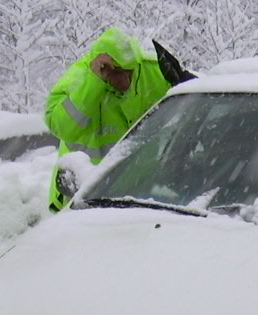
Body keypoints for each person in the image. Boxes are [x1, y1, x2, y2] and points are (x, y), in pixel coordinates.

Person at [44, 29, 193, 212]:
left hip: (140, 197)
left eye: (129, 73)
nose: (124, 81)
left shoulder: (154, 71)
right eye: (117, 73)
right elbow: (60, 127)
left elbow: (202, 108)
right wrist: (93, 84)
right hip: (83, 197)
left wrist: (188, 85)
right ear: (102, 68)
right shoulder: (77, 81)